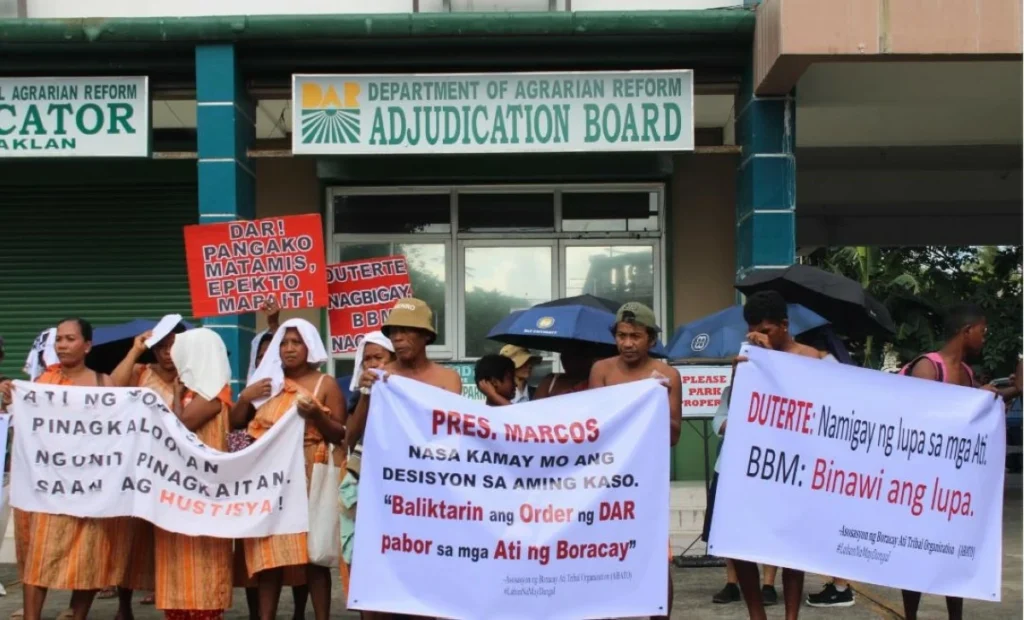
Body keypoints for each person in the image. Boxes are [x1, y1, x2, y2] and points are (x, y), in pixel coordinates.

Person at [0, 318, 135, 620]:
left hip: (90, 488)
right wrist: (11, 398)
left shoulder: (104, 384)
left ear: (87, 345)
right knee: (39, 556)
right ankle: (32, 616)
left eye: (70, 339)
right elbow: (24, 428)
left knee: (89, 554)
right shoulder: (41, 385)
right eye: (59, 339)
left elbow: (118, 432)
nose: (62, 345)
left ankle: (78, 614)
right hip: (49, 487)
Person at [723, 291, 845, 620]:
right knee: (742, 542)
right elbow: (738, 411)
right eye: (752, 329)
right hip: (756, 465)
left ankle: (791, 616)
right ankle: (757, 615)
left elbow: (830, 407)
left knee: (793, 546)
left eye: (766, 330)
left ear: (785, 325)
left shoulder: (811, 358)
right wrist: (744, 373)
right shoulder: (748, 359)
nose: (757, 336)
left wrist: (773, 363)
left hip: (799, 467)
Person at [350, 299, 461, 620]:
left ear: (426, 336)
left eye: (408, 331)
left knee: (427, 579)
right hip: (385, 494)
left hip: (429, 496)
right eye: (394, 331)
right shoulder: (380, 377)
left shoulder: (447, 380)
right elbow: (351, 435)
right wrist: (367, 393)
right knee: (380, 578)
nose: (399, 338)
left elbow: (450, 438)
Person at [231, 319, 345, 620]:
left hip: (309, 473)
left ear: (309, 346)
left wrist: (318, 418)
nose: (289, 348)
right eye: (284, 343)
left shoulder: (325, 384)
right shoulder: (268, 381)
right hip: (270, 477)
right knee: (272, 554)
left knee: (314, 558)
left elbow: (340, 433)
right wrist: (245, 396)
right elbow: (235, 422)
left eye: (296, 342)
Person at [897, 303, 995, 620]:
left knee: (955, 555)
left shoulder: (966, 374)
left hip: (952, 485)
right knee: (916, 554)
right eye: (982, 331)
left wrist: (1005, 391)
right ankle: (910, 614)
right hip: (921, 482)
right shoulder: (929, 367)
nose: (985, 338)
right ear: (966, 332)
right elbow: (917, 421)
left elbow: (978, 413)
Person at [588, 302, 681, 620]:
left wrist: (654, 399)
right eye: (622, 335)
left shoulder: (668, 375)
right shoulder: (601, 369)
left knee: (655, 557)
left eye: (636, 336)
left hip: (646, 483)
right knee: (603, 555)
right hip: (607, 482)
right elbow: (593, 427)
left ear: (651, 339)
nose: (628, 343)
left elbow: (673, 435)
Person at [110, 322, 193, 618]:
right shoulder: (140, 372)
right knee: (129, 538)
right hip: (138, 467)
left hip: (177, 469)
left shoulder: (194, 377)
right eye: (161, 347)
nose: (167, 353)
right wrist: (134, 351)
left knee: (170, 535)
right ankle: (123, 605)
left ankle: (171, 597)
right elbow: (111, 390)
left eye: (173, 346)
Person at [153, 328, 235, 620]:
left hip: (203, 493)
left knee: (202, 567)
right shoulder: (197, 391)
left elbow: (180, 426)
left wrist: (175, 396)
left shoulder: (211, 394)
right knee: (178, 564)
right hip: (183, 492)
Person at [340, 332, 395, 620]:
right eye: (367, 359)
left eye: (379, 358)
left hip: (399, 486)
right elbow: (350, 437)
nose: (373, 364)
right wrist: (365, 395)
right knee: (366, 558)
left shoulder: (408, 389)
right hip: (367, 482)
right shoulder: (359, 393)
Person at [534, 344, 599, 399]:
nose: (565, 361)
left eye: (573, 357)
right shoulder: (549, 381)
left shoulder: (596, 380)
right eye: (563, 356)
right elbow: (536, 409)